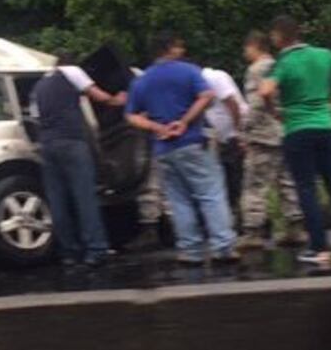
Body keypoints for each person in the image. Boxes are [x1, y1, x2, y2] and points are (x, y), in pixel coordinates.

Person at [126, 32, 236, 265]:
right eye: (179, 46)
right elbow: (206, 96)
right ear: (169, 49)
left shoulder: (142, 80)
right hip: (192, 142)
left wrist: (157, 127)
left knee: (179, 200)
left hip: (163, 149)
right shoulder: (189, 71)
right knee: (211, 194)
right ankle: (223, 247)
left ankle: (190, 250)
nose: (183, 50)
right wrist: (184, 121)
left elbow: (131, 116)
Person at [262, 16, 331, 269]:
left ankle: (319, 248)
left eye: (273, 36)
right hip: (325, 126)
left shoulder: (283, 62)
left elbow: (265, 91)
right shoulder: (323, 54)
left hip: (297, 128)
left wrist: (276, 111)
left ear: (279, 37)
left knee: (306, 188)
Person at [32, 54, 127, 266]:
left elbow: (36, 119)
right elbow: (97, 96)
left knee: (58, 201)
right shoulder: (72, 71)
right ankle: (96, 249)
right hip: (71, 142)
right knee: (84, 197)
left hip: (47, 145)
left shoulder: (39, 85)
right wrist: (117, 100)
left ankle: (68, 253)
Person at [238, 31, 306, 250]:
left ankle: (253, 231)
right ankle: (296, 227)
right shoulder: (281, 65)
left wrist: (246, 131)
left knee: (255, 184)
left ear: (254, 46)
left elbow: (257, 104)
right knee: (287, 181)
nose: (245, 52)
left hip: (263, 135)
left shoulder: (256, 70)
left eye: (246, 48)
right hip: (285, 130)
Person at [200, 62, 248, 221]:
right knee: (228, 178)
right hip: (222, 138)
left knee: (237, 178)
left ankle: (244, 217)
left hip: (233, 135)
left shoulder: (213, 77)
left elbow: (232, 103)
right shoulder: (203, 80)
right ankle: (235, 216)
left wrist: (238, 132)